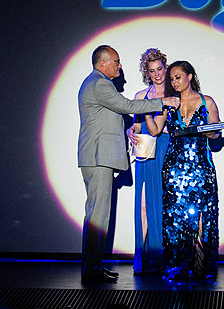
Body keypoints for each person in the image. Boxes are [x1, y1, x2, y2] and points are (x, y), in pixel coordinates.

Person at [77, 45, 180, 281]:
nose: (119, 66)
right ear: (103, 63)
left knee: (98, 215)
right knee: (97, 215)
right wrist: (162, 102)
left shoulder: (97, 83)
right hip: (98, 157)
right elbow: (128, 106)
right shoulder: (100, 83)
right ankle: (91, 268)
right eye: (116, 61)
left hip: (98, 157)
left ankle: (93, 266)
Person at [144, 60, 220, 280]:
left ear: (190, 76)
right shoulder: (170, 104)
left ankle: (200, 267)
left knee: (201, 218)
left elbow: (216, 132)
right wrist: (147, 112)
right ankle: (177, 266)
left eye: (178, 77)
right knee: (175, 219)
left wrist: (209, 132)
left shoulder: (206, 101)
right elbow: (155, 130)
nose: (174, 82)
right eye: (172, 79)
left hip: (201, 168)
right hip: (174, 169)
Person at [126, 48, 170, 274]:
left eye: (159, 69)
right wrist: (130, 132)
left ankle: (163, 259)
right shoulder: (140, 95)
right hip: (145, 152)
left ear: (165, 67)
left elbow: (163, 128)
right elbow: (137, 125)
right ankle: (143, 259)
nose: (157, 74)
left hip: (166, 151)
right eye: (152, 71)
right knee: (143, 206)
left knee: (164, 205)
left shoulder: (174, 94)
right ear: (147, 73)